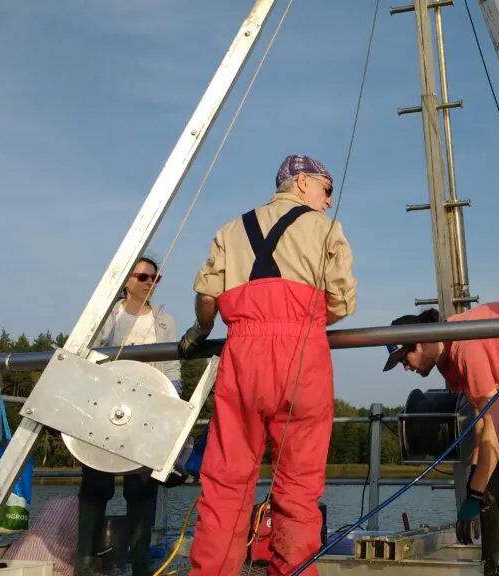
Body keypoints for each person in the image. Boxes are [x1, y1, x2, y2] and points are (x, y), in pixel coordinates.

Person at [178, 154, 356, 576]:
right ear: (303, 182)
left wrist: (200, 331)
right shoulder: (326, 228)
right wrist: (302, 318)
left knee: (225, 485)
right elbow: (341, 303)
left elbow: (207, 299)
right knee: (297, 488)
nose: (329, 200)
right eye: (326, 189)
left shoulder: (230, 229)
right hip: (303, 357)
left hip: (241, 355)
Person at [382, 302, 499, 576]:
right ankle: (496, 571)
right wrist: (475, 481)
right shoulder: (448, 358)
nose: (406, 368)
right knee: (491, 482)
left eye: (405, 360)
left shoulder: (464, 348)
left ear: (420, 344)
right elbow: (481, 417)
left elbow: (494, 422)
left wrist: (474, 494)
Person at [76, 256, 183, 576]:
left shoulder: (164, 321)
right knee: (95, 485)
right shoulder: (107, 316)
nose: (149, 283)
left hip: (146, 415)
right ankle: (85, 562)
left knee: (141, 489)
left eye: (155, 278)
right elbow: (84, 357)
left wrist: (173, 408)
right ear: (126, 280)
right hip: (103, 410)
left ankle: (140, 565)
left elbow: (172, 368)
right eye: (142, 277)